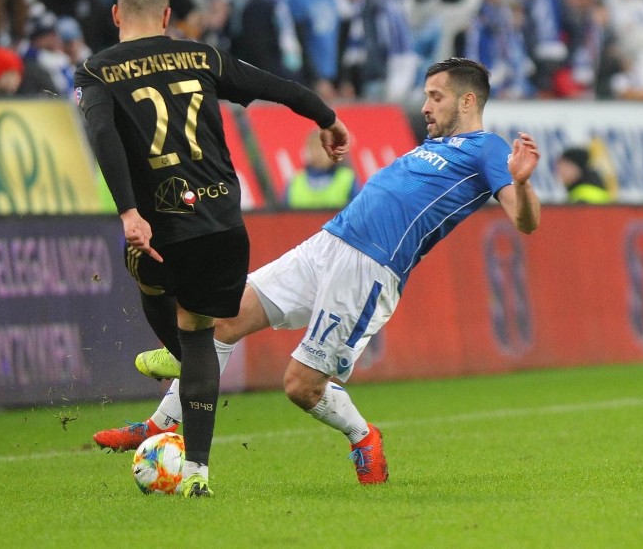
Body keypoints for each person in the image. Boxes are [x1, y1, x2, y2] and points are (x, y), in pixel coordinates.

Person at [93, 58, 542, 487]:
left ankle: (363, 436)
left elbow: (525, 222)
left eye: (436, 97)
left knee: (301, 386)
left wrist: (520, 183)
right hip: (328, 243)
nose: (425, 106)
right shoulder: (436, 146)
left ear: (467, 102)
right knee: (223, 319)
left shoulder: (488, 148)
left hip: (370, 267)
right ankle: (157, 427)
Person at [75, 0, 349, 497]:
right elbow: (274, 85)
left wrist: (128, 211)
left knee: (164, 301)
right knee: (199, 331)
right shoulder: (201, 56)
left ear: (116, 15)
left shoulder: (98, 70)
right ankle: (196, 472)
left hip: (161, 224)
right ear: (168, 15)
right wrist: (326, 117)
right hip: (223, 220)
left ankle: (174, 352)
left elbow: (103, 136)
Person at [285, 129, 359, 209]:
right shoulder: (296, 181)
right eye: (313, 147)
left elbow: (358, 213)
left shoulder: (347, 179)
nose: (318, 152)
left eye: (323, 147)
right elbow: (282, 216)